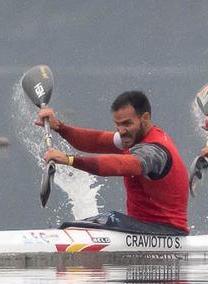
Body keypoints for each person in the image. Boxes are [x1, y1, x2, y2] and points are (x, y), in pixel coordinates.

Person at [38, 90, 189, 234]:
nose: (121, 130)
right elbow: (95, 141)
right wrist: (59, 127)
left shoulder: (155, 152)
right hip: (142, 228)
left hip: (166, 232)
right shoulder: (132, 137)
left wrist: (69, 160)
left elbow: (121, 165)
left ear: (145, 118)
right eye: (118, 124)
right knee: (87, 224)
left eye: (127, 123)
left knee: (105, 220)